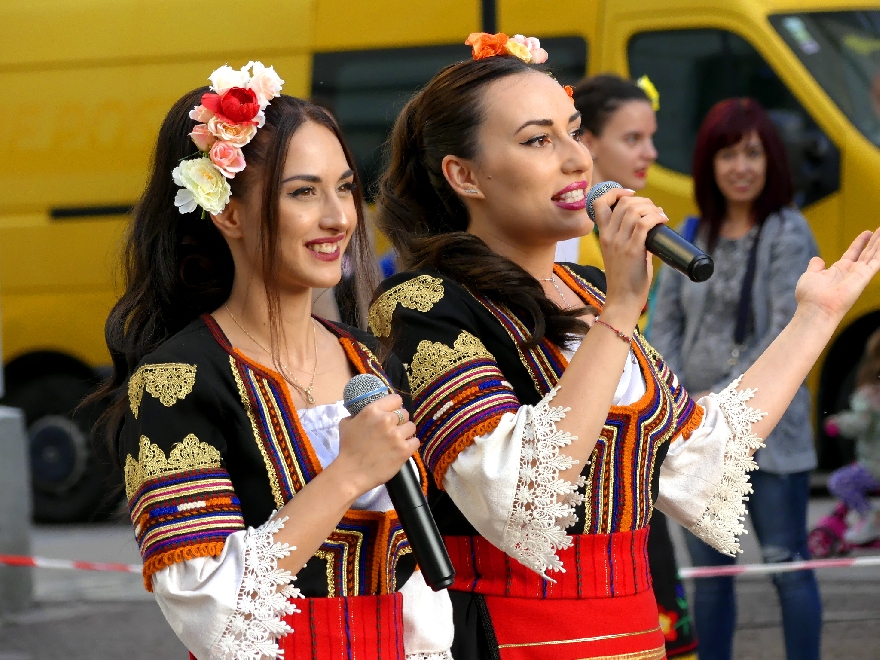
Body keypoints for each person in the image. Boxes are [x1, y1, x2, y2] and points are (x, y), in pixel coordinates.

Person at [369, 33, 880, 660]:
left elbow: (699, 457)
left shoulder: (585, 289)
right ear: (463, 175)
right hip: (511, 637)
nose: (577, 159)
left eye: (575, 131)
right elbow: (513, 497)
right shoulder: (425, 303)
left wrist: (815, 316)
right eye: (537, 140)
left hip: (635, 635)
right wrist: (620, 310)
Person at [96, 62, 453, 659]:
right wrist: (346, 475)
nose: (339, 217)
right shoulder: (173, 384)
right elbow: (210, 615)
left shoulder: (364, 358)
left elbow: (416, 587)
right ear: (227, 212)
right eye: (302, 192)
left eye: (344, 186)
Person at [649, 98, 823, 660]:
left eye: (752, 152)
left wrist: (722, 401)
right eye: (727, 154)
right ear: (709, 163)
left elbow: (784, 328)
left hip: (769, 426)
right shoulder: (692, 231)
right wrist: (683, 399)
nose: (741, 166)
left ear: (772, 159)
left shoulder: (788, 230)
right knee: (712, 579)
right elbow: (664, 323)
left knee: (786, 565)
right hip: (695, 429)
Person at [569, 73, 696, 659]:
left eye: (652, 137)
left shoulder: (635, 231)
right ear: (587, 142)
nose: (649, 152)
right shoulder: (581, 244)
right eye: (633, 137)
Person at [825, 328, 880, 543]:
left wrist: (837, 423)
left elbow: (860, 423)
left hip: (875, 465)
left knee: (840, 482)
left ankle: (871, 517)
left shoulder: (870, 395)